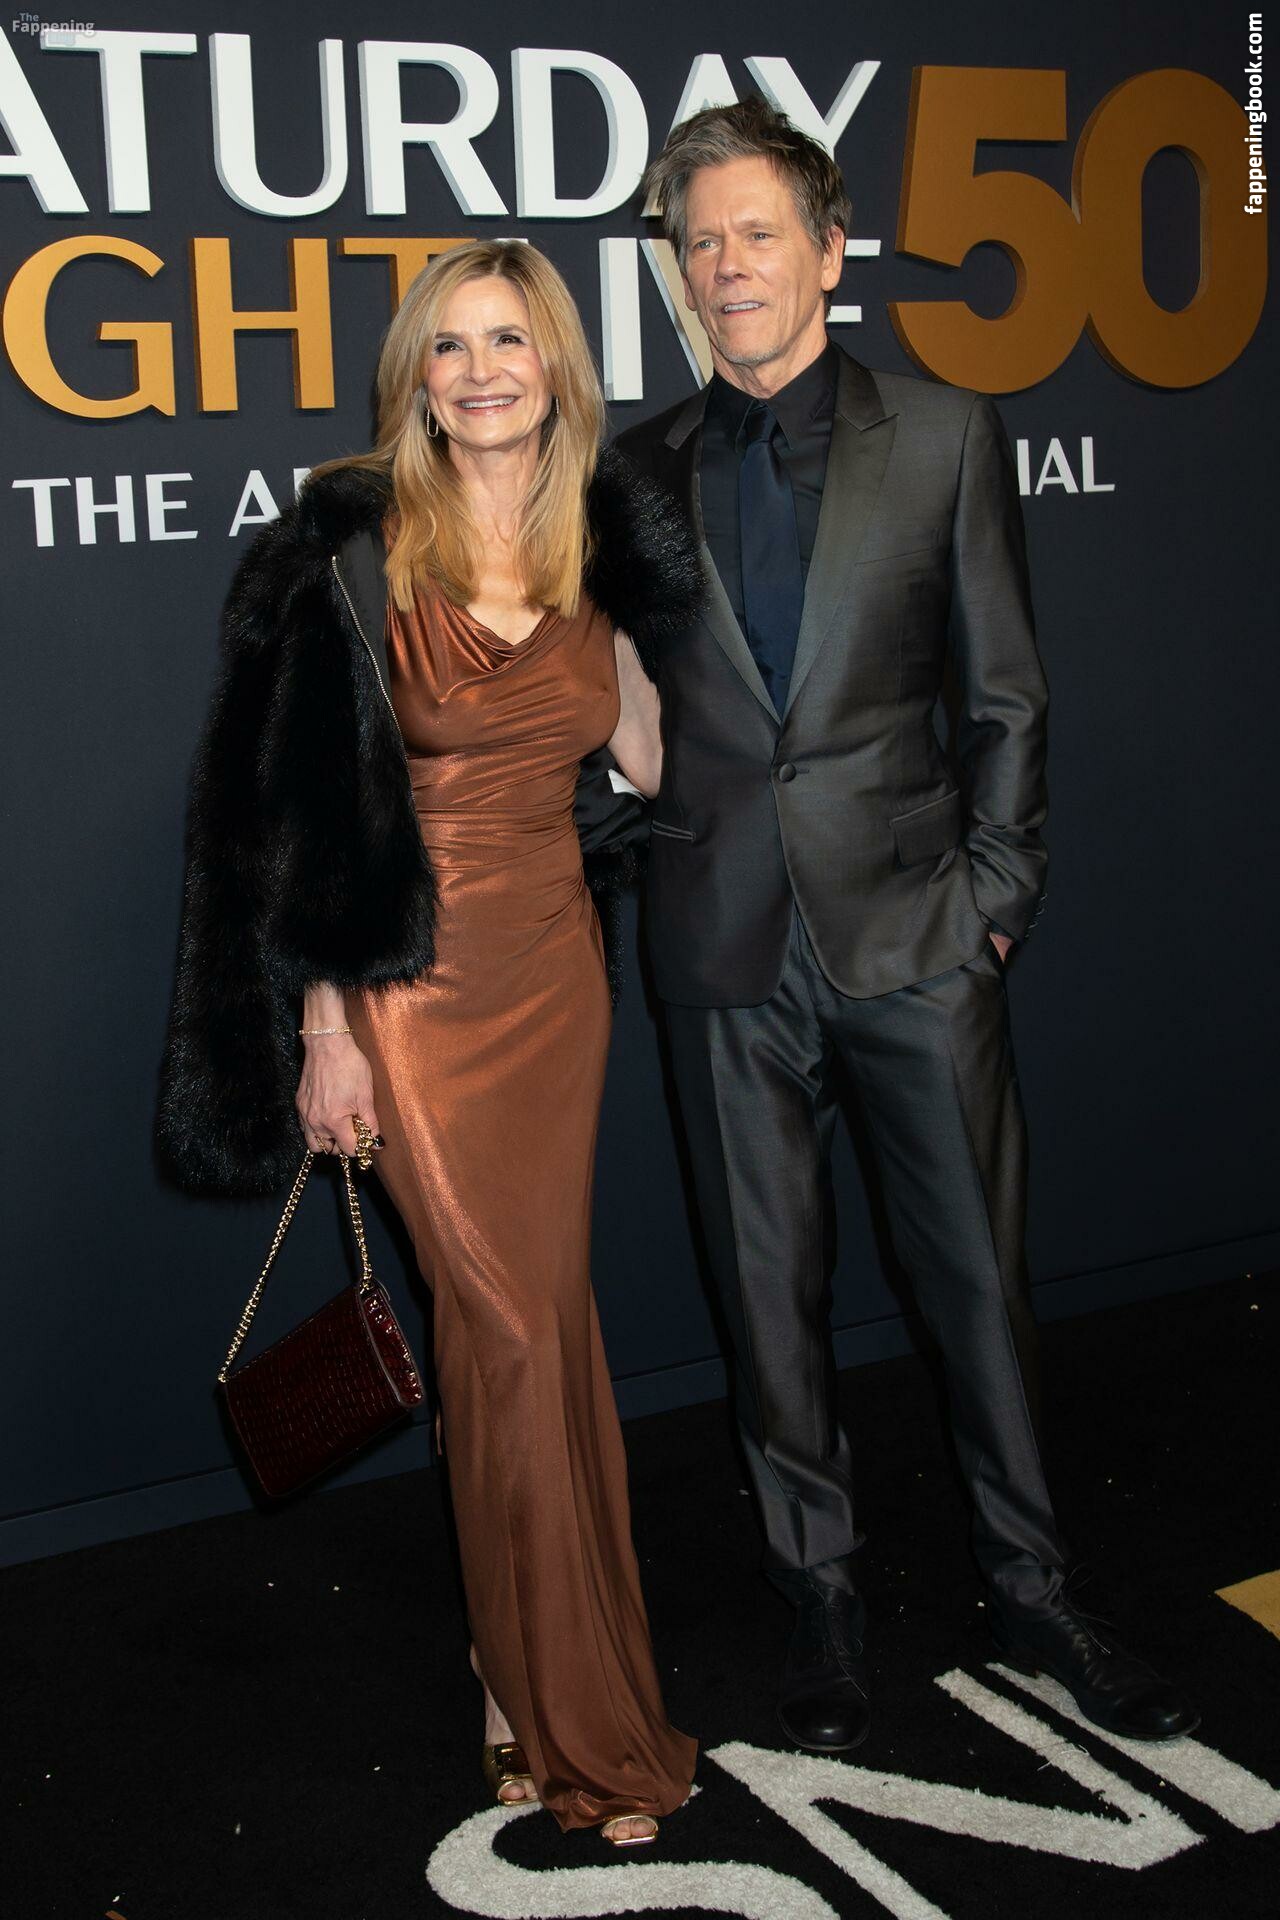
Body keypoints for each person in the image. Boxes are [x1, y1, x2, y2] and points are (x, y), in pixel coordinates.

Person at [615, 99, 1198, 1753]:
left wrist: (994, 904)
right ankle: (820, 1596)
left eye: (756, 233)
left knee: (977, 1291)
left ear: (828, 249)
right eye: (700, 242)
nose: (728, 265)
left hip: (919, 941)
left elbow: (1005, 692)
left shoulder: (943, 430)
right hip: (722, 950)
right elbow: (619, 709)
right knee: (765, 1303)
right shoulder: (633, 470)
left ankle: (1033, 1586)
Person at [159, 239, 699, 1844]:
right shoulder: (354, 546)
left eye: (508, 341)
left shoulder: (606, 537)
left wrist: (688, 670)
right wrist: (324, 1026)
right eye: (449, 346)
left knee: (530, 1326)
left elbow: (652, 757)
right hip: (407, 992)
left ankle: (513, 1663)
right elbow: (294, 813)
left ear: (556, 366)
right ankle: (557, 1706)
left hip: (555, 977)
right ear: (417, 377)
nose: (479, 372)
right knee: (513, 1333)